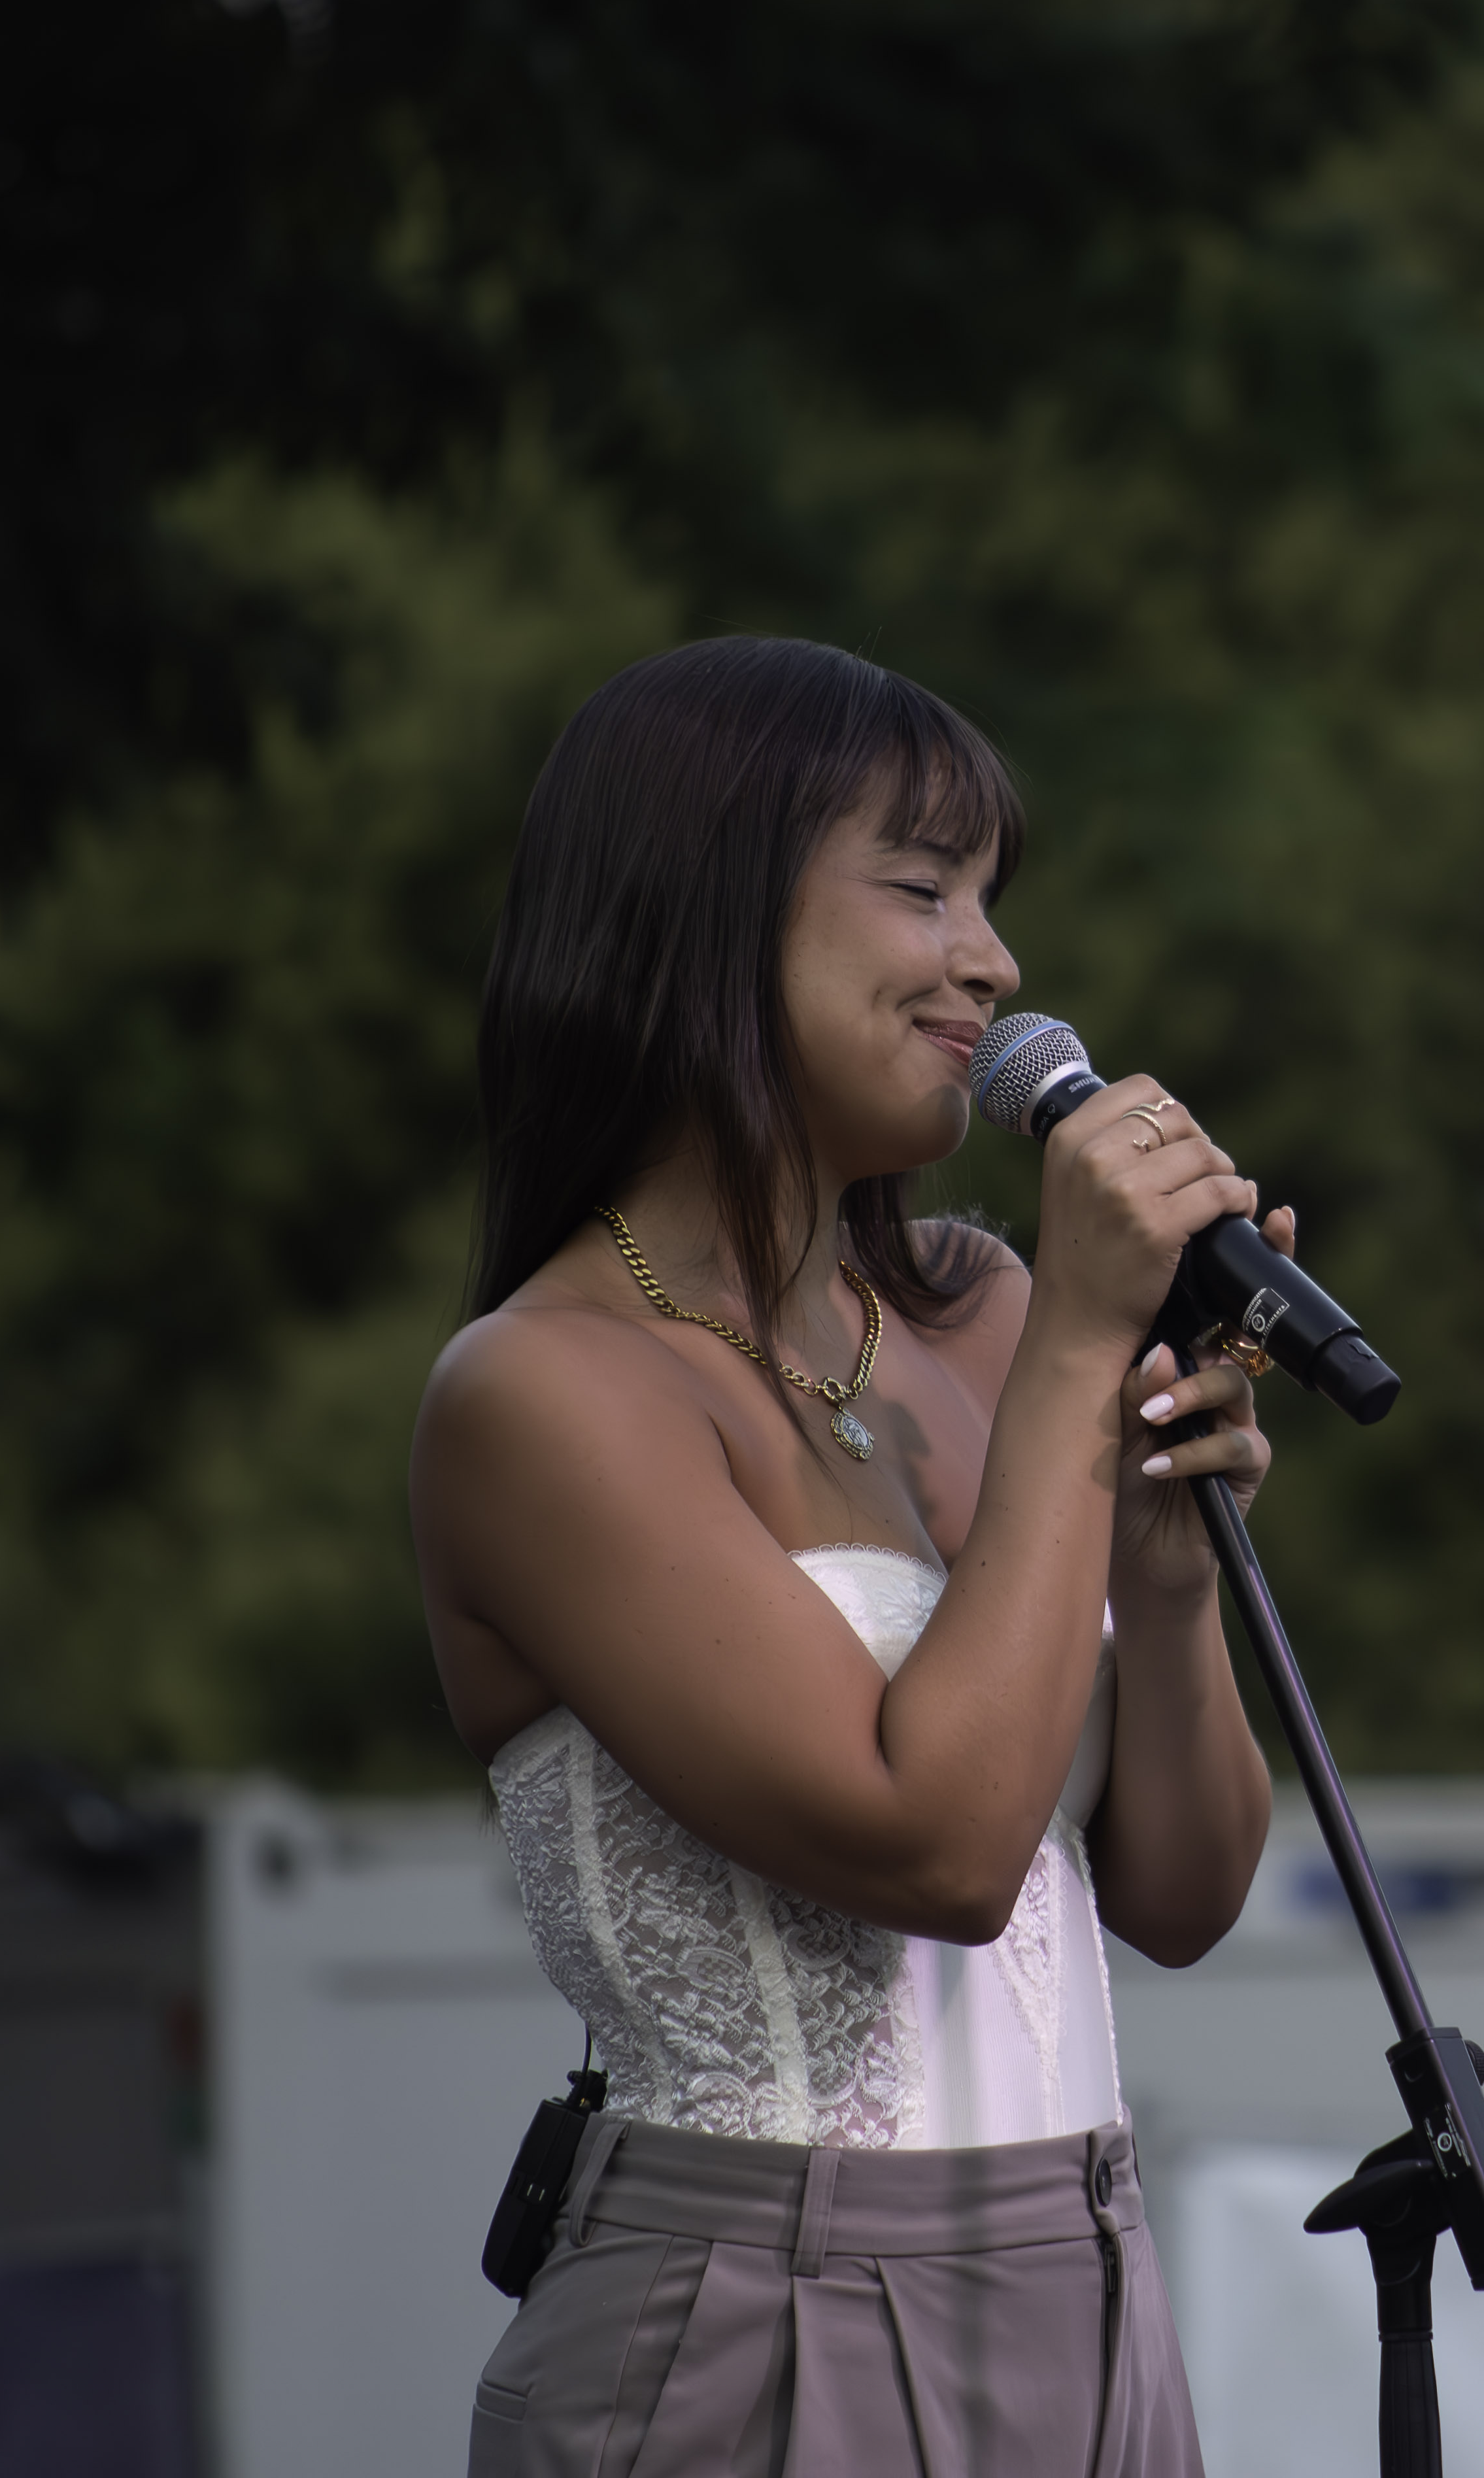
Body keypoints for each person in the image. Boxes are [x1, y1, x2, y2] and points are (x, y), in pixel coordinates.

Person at [413, 636, 1278, 2477]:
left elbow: (1183, 1898)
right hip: (756, 2305)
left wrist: (1173, 1566)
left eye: (993, 901)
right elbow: (942, 1849)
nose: (995, 963)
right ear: (704, 914)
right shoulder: (547, 1393)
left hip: (1093, 2275)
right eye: (923, 889)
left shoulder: (976, 1318)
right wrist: (1073, 1368)